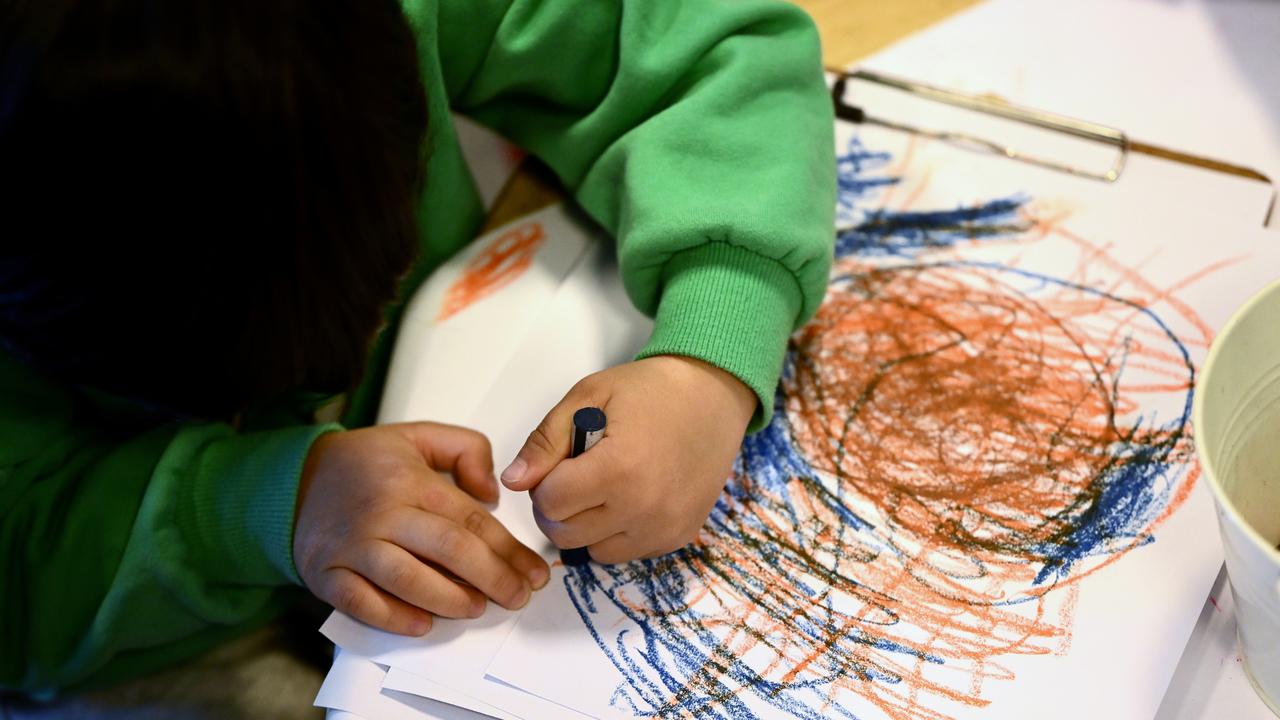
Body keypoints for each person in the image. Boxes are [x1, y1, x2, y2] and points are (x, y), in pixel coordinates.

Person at [0, 0, 835, 704]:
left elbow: (710, 45)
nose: (325, 370)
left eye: (371, 281)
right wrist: (249, 504)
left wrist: (711, 354)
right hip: (138, 623)